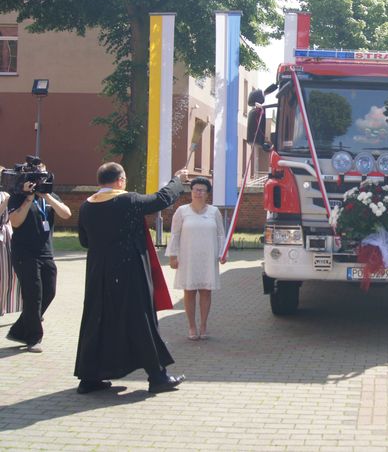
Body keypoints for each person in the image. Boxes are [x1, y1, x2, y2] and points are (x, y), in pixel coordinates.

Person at [74, 163, 188, 394]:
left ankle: (89, 378)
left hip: (98, 273)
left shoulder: (87, 206)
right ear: (120, 180)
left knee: (97, 320)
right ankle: (157, 376)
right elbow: (161, 199)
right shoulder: (128, 200)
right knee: (141, 319)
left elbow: (84, 241)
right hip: (129, 270)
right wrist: (177, 180)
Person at [5, 161, 71, 352]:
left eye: (42, 175)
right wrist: (28, 197)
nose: (40, 179)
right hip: (24, 253)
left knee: (49, 292)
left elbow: (66, 214)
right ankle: (34, 337)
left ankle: (19, 330)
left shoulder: (49, 196)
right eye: (36, 176)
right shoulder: (17, 197)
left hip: (46, 252)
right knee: (33, 295)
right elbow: (15, 222)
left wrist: (47, 196)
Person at [166, 177, 226, 341]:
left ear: (207, 194)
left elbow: (221, 235)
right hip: (188, 258)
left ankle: (204, 325)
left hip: (208, 257)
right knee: (190, 291)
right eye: (195, 190)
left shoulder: (214, 212)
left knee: (206, 291)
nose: (198, 193)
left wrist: (222, 253)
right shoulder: (182, 211)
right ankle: (192, 326)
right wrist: (173, 256)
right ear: (191, 192)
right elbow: (175, 234)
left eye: (202, 190)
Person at [0, 170, 22, 317]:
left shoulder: (10, 194)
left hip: (8, 236)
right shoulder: (6, 197)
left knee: (8, 275)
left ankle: (3, 306)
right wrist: (6, 201)